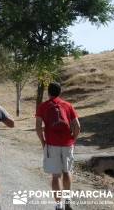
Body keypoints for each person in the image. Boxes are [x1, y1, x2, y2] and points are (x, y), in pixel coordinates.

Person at [36, 82, 80, 210]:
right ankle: (67, 200)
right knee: (67, 172)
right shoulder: (68, 105)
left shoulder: (43, 106)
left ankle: (58, 204)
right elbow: (77, 126)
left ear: (48, 93)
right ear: (60, 92)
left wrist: (43, 142)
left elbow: (38, 127)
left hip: (52, 144)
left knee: (56, 175)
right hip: (67, 143)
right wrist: (73, 140)